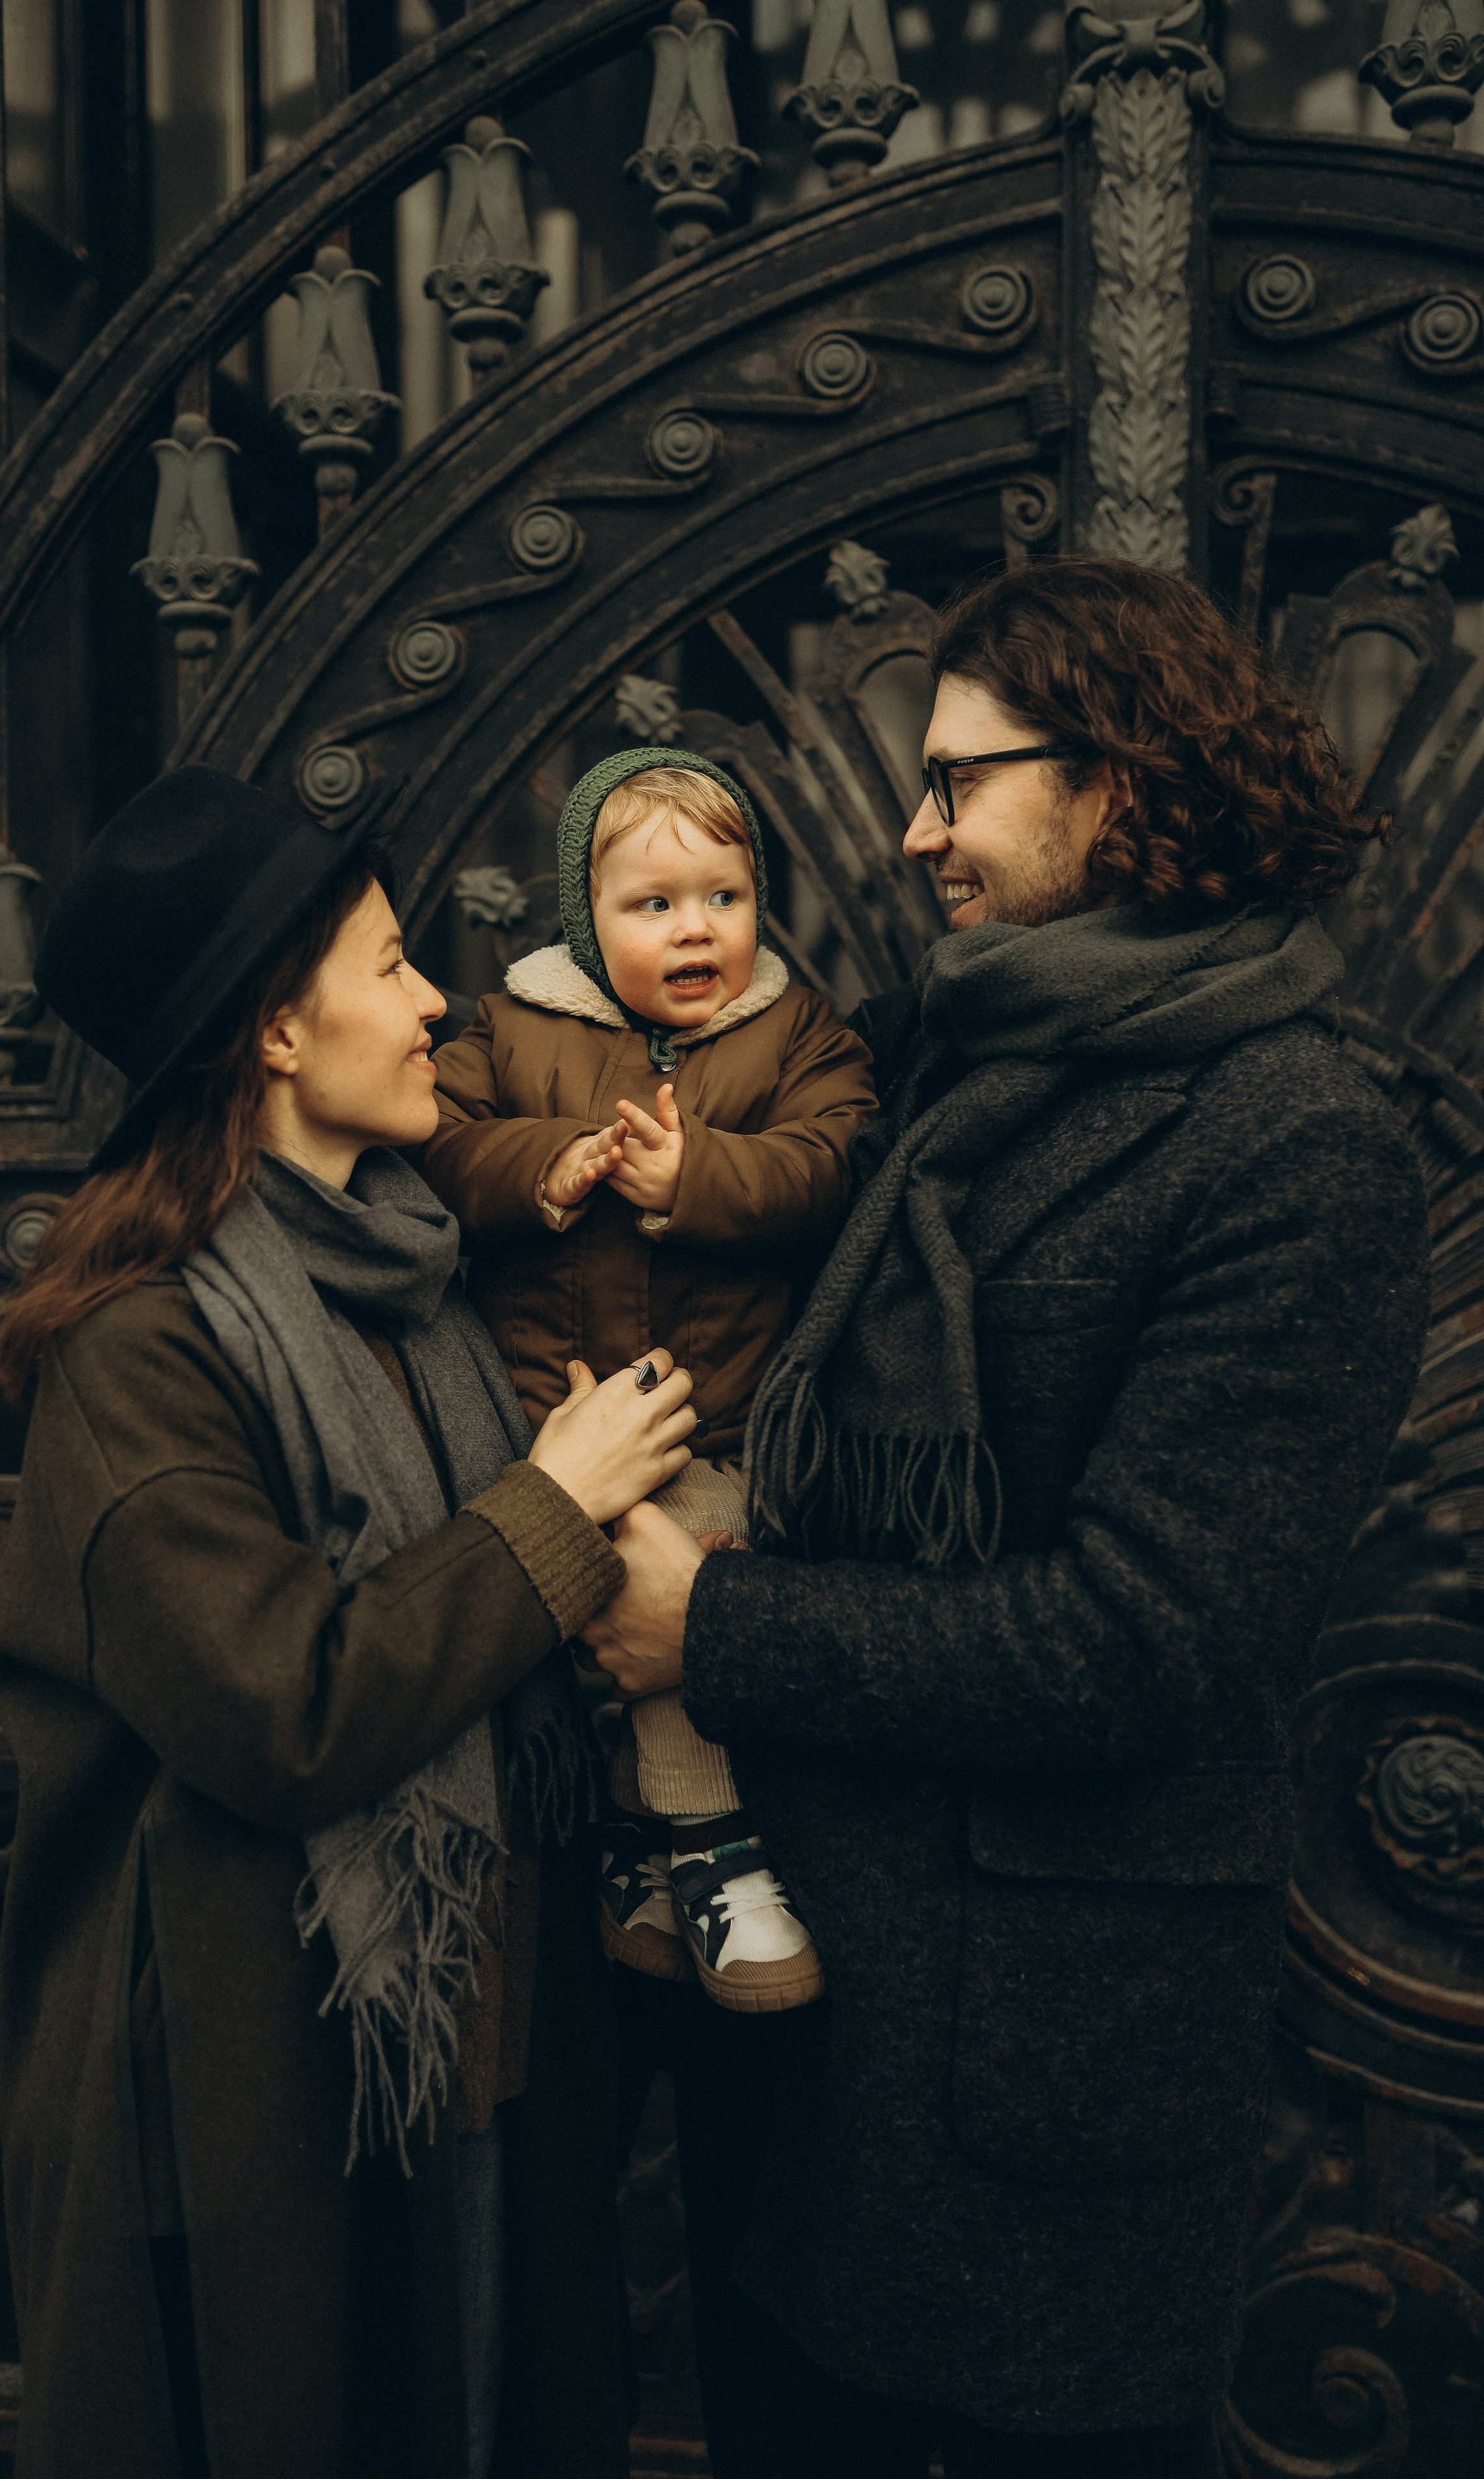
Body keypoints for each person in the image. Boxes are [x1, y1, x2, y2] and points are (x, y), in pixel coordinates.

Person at [581, 561, 1432, 2479]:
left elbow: (1146, 1639)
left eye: (959, 782)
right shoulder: (944, 1048)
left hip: (1034, 2067)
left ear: (1114, 787)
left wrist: (708, 1630)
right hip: (803, 2021)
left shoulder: (1300, 1141)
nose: (913, 831)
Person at [0, 766, 698, 2479]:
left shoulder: (417, 1278)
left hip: (486, 2056)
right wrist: (558, 1507)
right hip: (263, 2098)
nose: (439, 999)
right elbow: (282, 1709)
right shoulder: (138, 1352)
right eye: (390, 965)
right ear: (277, 1034)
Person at [418, 750, 875, 2011]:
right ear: (583, 916)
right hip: (544, 1416)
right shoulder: (508, 1028)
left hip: (707, 1415)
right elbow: (439, 1150)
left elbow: (832, 1159)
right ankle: (637, 1852)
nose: (695, 928)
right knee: (582, 1642)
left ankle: (705, 1850)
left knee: (683, 1616)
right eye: (653, 903)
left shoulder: (793, 1031)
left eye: (722, 898)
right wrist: (550, 1164)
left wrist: (704, 1182)